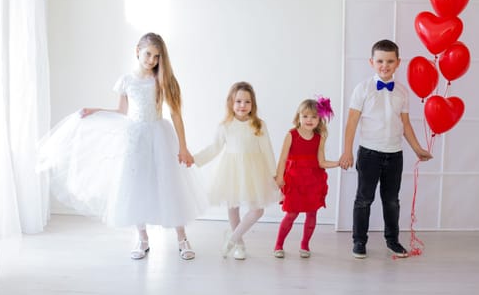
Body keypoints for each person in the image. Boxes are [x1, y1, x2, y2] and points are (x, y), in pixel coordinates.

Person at [37, 33, 207, 260]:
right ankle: (142, 238)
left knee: (168, 183)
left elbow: (176, 115)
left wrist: (183, 147)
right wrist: (95, 111)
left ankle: (181, 237)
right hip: (135, 137)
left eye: (157, 57)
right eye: (148, 54)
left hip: (159, 135)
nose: (152, 60)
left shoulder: (162, 80)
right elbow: (122, 113)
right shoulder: (126, 81)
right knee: (135, 183)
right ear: (137, 50)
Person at [339, 39, 433, 259]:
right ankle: (359, 241)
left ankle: (393, 241)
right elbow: (352, 122)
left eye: (390, 61)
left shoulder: (401, 91)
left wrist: (418, 148)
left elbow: (406, 124)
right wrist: (347, 151)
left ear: (398, 63)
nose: (385, 65)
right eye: (380, 61)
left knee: (392, 200)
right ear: (372, 62)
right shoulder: (362, 89)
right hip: (369, 152)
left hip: (394, 154)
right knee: (364, 199)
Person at [191, 81, 280, 260]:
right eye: (238, 101)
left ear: (252, 104)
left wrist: (275, 174)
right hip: (231, 170)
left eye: (247, 102)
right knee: (233, 205)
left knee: (257, 210)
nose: (242, 105)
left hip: (254, 170)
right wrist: (194, 159)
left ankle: (231, 239)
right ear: (231, 102)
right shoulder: (225, 125)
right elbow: (214, 148)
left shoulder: (258, 125)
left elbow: (267, 150)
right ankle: (239, 245)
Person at [273, 97, 339, 258]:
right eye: (305, 116)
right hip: (295, 180)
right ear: (299, 117)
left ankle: (305, 244)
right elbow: (282, 158)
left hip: (313, 181)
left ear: (319, 119)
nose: (309, 120)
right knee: (291, 213)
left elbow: (321, 162)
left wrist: (338, 163)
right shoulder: (292, 135)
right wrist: (279, 177)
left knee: (312, 213)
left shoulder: (320, 138)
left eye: (314, 117)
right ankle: (279, 244)